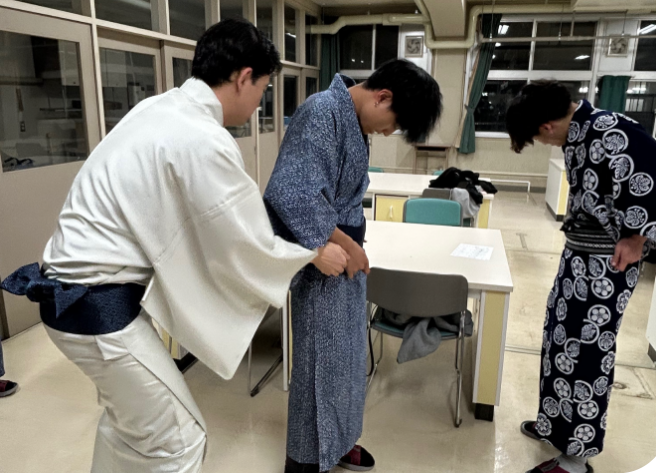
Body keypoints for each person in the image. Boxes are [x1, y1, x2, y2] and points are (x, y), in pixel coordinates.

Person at [1, 18, 349, 472]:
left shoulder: (157, 108)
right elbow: (242, 238)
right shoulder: (202, 137)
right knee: (180, 442)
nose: (259, 104)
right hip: (95, 308)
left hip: (70, 297)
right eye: (263, 90)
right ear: (243, 77)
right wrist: (313, 255)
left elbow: (193, 222)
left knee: (129, 428)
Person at [264, 59, 443, 473]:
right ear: (383, 97)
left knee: (346, 362)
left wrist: (353, 248)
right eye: (393, 124)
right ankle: (305, 459)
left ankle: (340, 440)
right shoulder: (320, 113)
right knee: (318, 366)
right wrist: (346, 246)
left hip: (346, 256)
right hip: (325, 260)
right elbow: (292, 193)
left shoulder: (351, 120)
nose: (388, 133)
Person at [506, 80, 656, 473]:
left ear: (546, 126)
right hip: (577, 255)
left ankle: (576, 456)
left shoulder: (613, 131)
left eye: (538, 138)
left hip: (608, 265)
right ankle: (555, 425)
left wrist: (637, 238)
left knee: (588, 352)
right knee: (558, 338)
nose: (544, 143)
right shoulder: (578, 133)